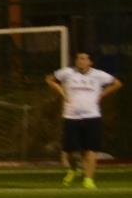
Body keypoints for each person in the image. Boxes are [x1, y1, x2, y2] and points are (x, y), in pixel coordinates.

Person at [46, 52, 122, 189]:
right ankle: (73, 168)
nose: (80, 61)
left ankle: (88, 179)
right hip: (71, 116)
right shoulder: (67, 72)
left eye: (83, 58)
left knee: (90, 149)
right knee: (69, 150)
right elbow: (50, 79)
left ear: (90, 62)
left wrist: (102, 95)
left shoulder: (98, 75)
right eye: (78, 58)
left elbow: (117, 83)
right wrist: (62, 93)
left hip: (92, 116)